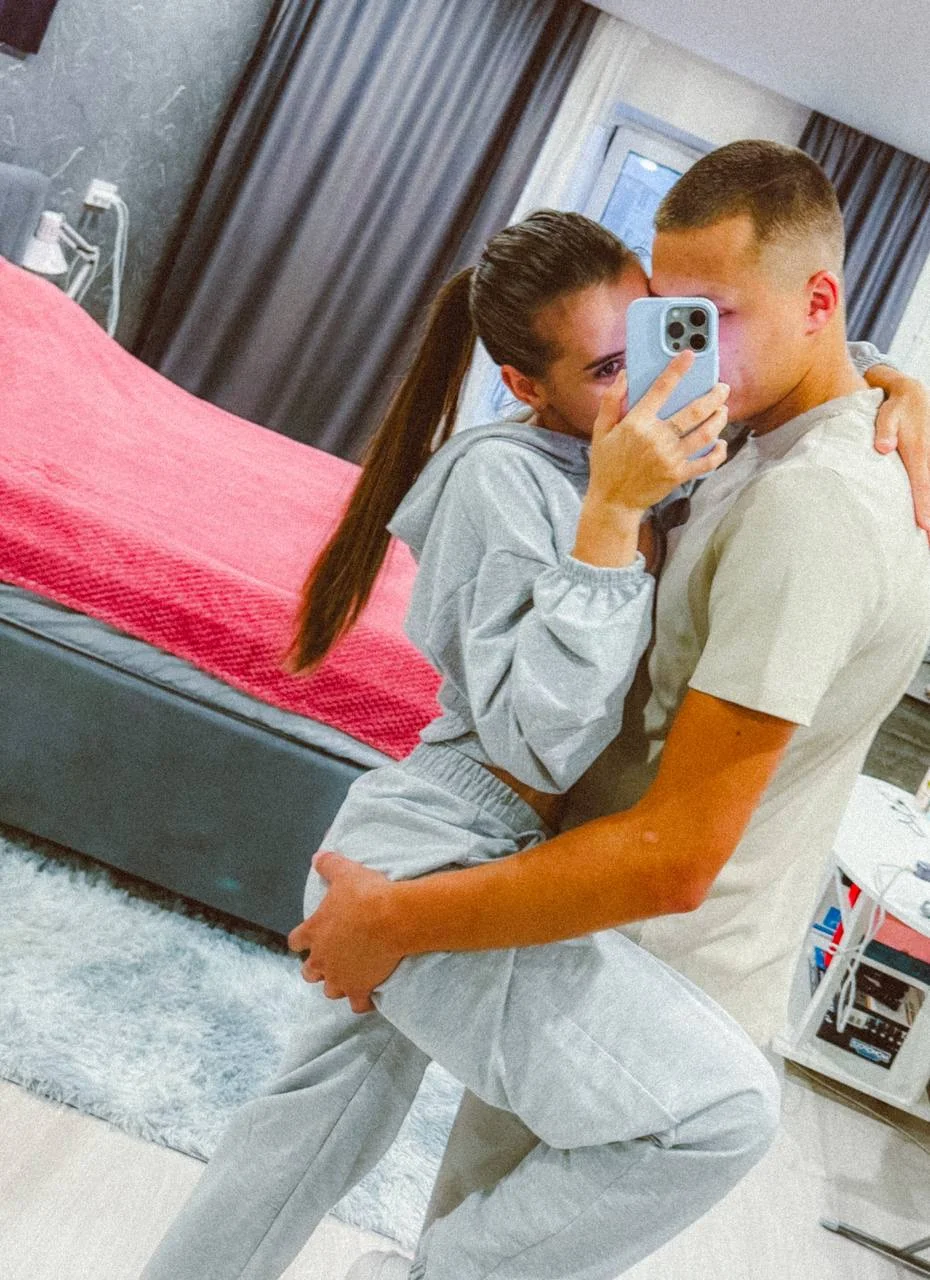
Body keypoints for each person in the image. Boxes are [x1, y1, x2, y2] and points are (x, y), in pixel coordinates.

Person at [295, 141, 930, 1278]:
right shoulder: (753, 437)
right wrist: (894, 376)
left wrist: (397, 920)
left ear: (817, 301)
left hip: (646, 959)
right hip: (590, 928)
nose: (679, 358)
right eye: (665, 320)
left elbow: (675, 854)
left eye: (712, 318)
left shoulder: (813, 506)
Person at [141, 211, 786, 1280]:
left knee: (299, 1136)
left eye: (654, 336)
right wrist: (610, 518)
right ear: (525, 384)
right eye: (605, 368)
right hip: (441, 841)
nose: (642, 384)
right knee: (716, 1113)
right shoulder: (505, 474)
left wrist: (888, 386)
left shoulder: (646, 449)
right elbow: (542, 740)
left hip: (455, 836)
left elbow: (801, 352)